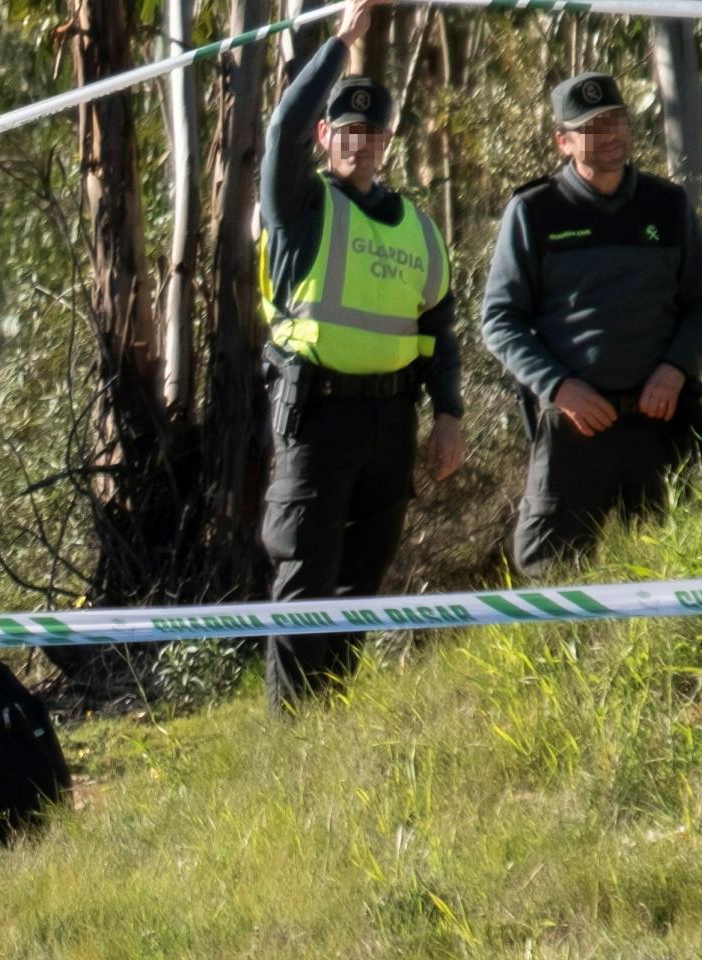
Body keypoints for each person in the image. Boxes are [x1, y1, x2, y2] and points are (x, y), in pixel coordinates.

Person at [257, 0, 465, 707]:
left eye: (373, 132)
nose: (361, 143)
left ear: (387, 140)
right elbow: (280, 129)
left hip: (390, 424)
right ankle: (293, 727)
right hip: (316, 418)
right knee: (305, 575)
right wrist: (341, 44)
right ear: (325, 136)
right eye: (347, 130)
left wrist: (448, 414)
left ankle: (332, 712)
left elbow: (438, 330)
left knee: (362, 578)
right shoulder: (299, 206)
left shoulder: (419, 230)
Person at [482, 72, 702, 577]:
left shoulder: (667, 204)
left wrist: (675, 369)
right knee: (550, 573)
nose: (611, 134)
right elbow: (500, 320)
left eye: (617, 120)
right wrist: (558, 387)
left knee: (682, 567)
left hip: (661, 422)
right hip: (576, 426)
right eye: (593, 126)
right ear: (563, 141)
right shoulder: (534, 210)